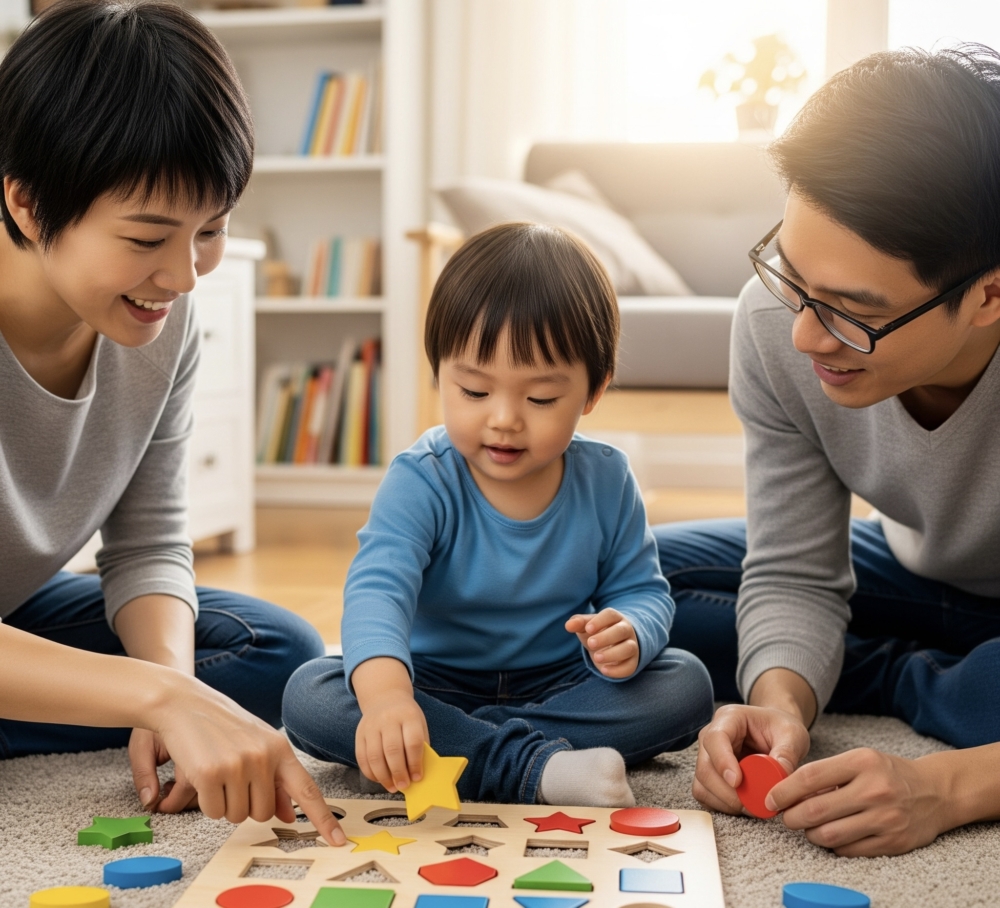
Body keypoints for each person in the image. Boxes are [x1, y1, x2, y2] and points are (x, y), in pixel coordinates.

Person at [0, 0, 344, 844]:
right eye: (150, 237)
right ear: (30, 206)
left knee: (272, 653)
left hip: (18, 613)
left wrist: (168, 682)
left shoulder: (160, 318)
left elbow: (149, 539)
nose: (185, 276)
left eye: (213, 230)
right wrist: (157, 698)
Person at [654, 45, 1000, 856]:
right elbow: (794, 568)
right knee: (608, 579)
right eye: (795, 276)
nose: (806, 334)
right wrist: (782, 699)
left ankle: (898, 677)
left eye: (853, 311)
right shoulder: (777, 322)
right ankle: (884, 669)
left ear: (988, 293)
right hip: (908, 568)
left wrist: (948, 787)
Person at [283, 223, 713, 806]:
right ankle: (538, 769)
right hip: (430, 680)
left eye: (540, 399)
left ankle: (436, 755)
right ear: (440, 375)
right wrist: (388, 703)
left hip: (559, 683)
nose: (505, 419)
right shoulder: (423, 477)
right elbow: (375, 593)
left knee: (684, 684)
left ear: (593, 391)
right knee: (311, 691)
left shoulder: (608, 479)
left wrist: (632, 630)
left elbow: (645, 592)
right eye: (475, 392)